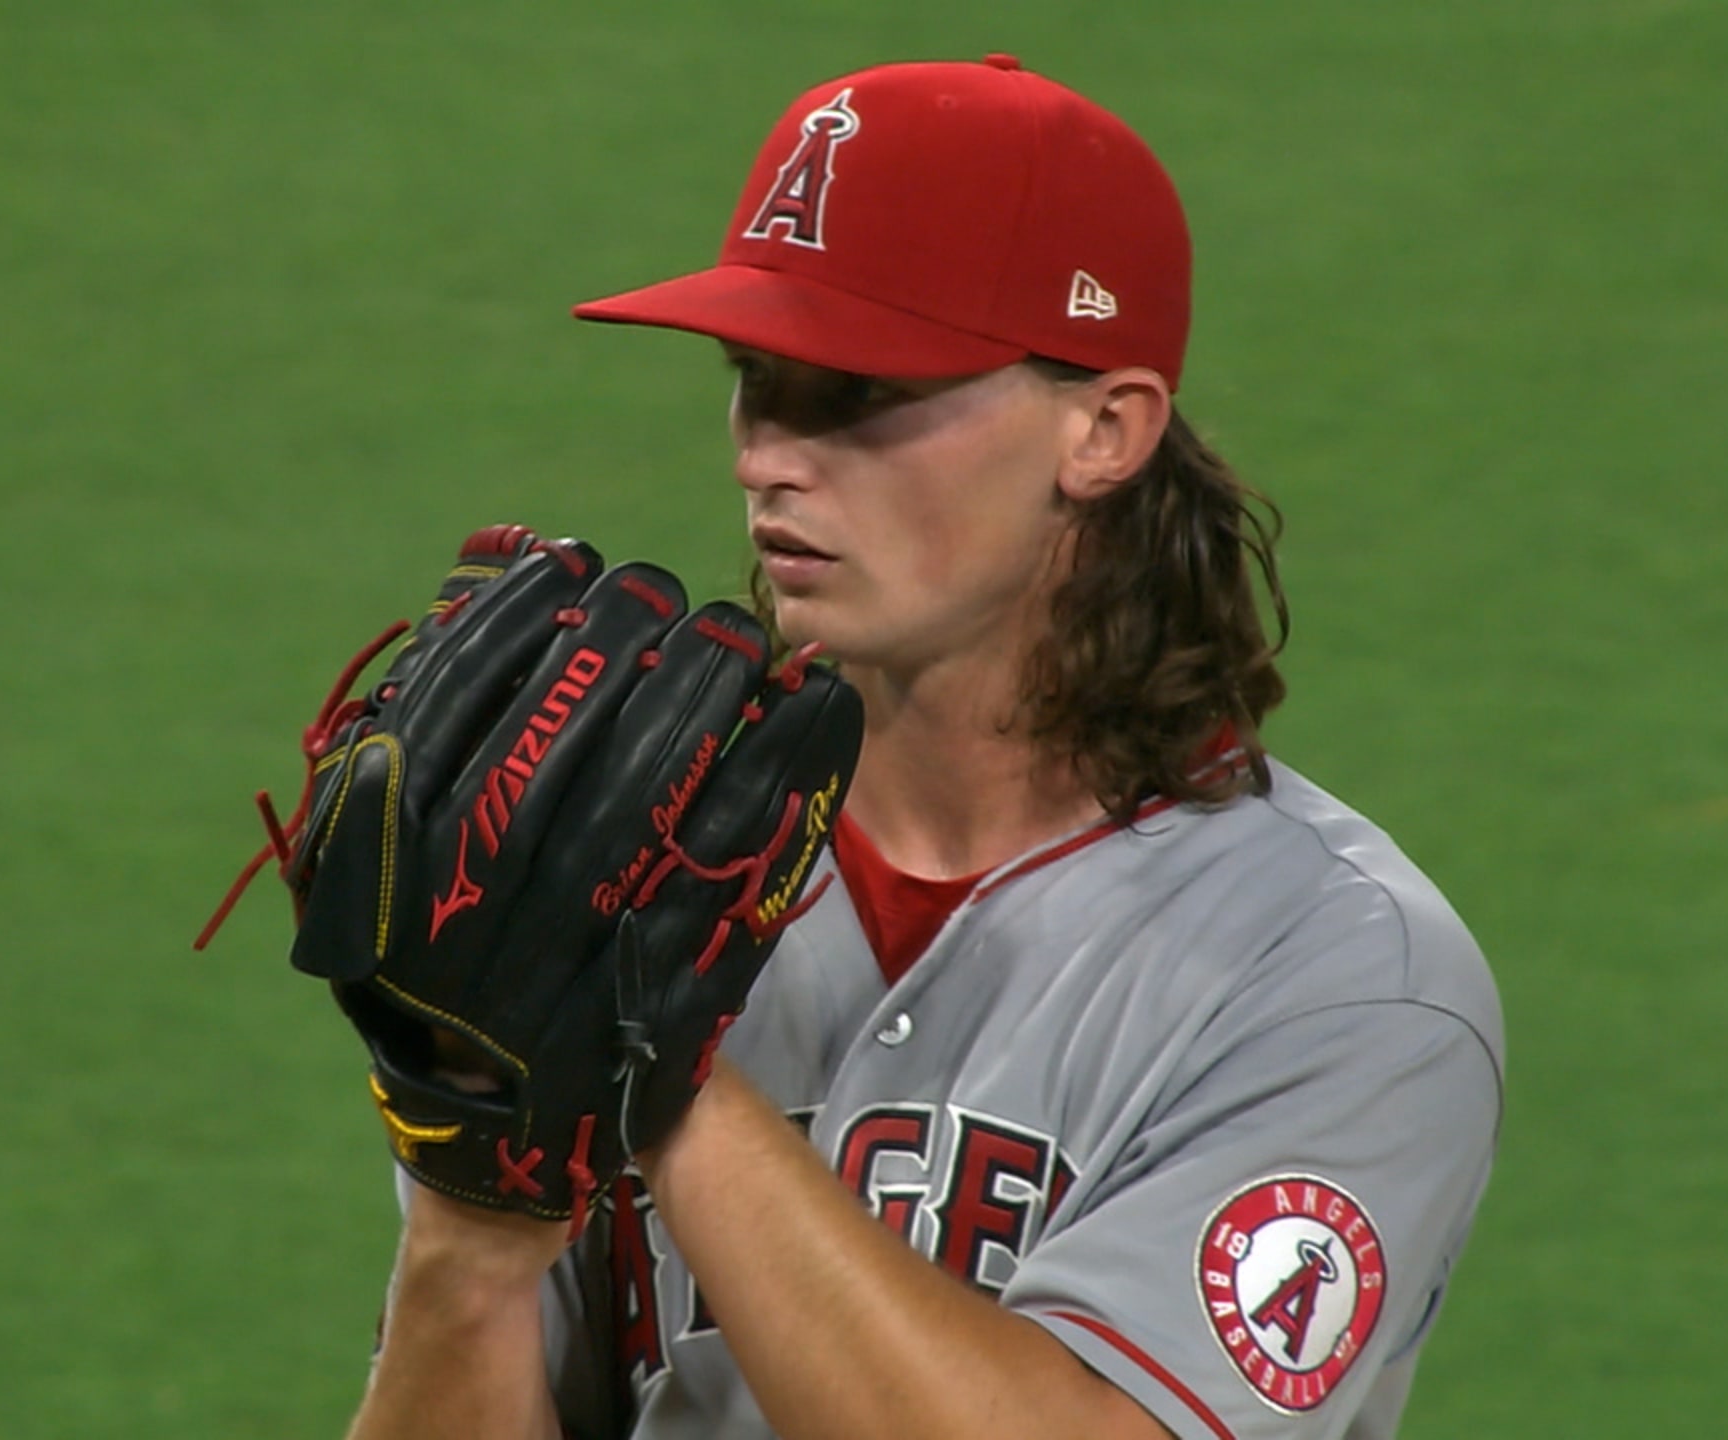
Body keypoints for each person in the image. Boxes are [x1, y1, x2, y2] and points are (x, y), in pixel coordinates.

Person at [346, 54, 1503, 1440]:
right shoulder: (617, 866)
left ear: (1106, 429)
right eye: (755, 380)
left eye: (855, 393)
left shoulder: (1342, 976)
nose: (766, 456)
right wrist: (470, 1228)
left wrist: (660, 1075)